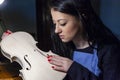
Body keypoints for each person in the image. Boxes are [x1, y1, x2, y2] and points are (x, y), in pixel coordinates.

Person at [46, 0, 120, 80]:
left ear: (83, 16)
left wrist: (73, 68)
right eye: (54, 24)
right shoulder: (61, 47)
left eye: (62, 23)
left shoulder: (109, 50)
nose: (56, 30)